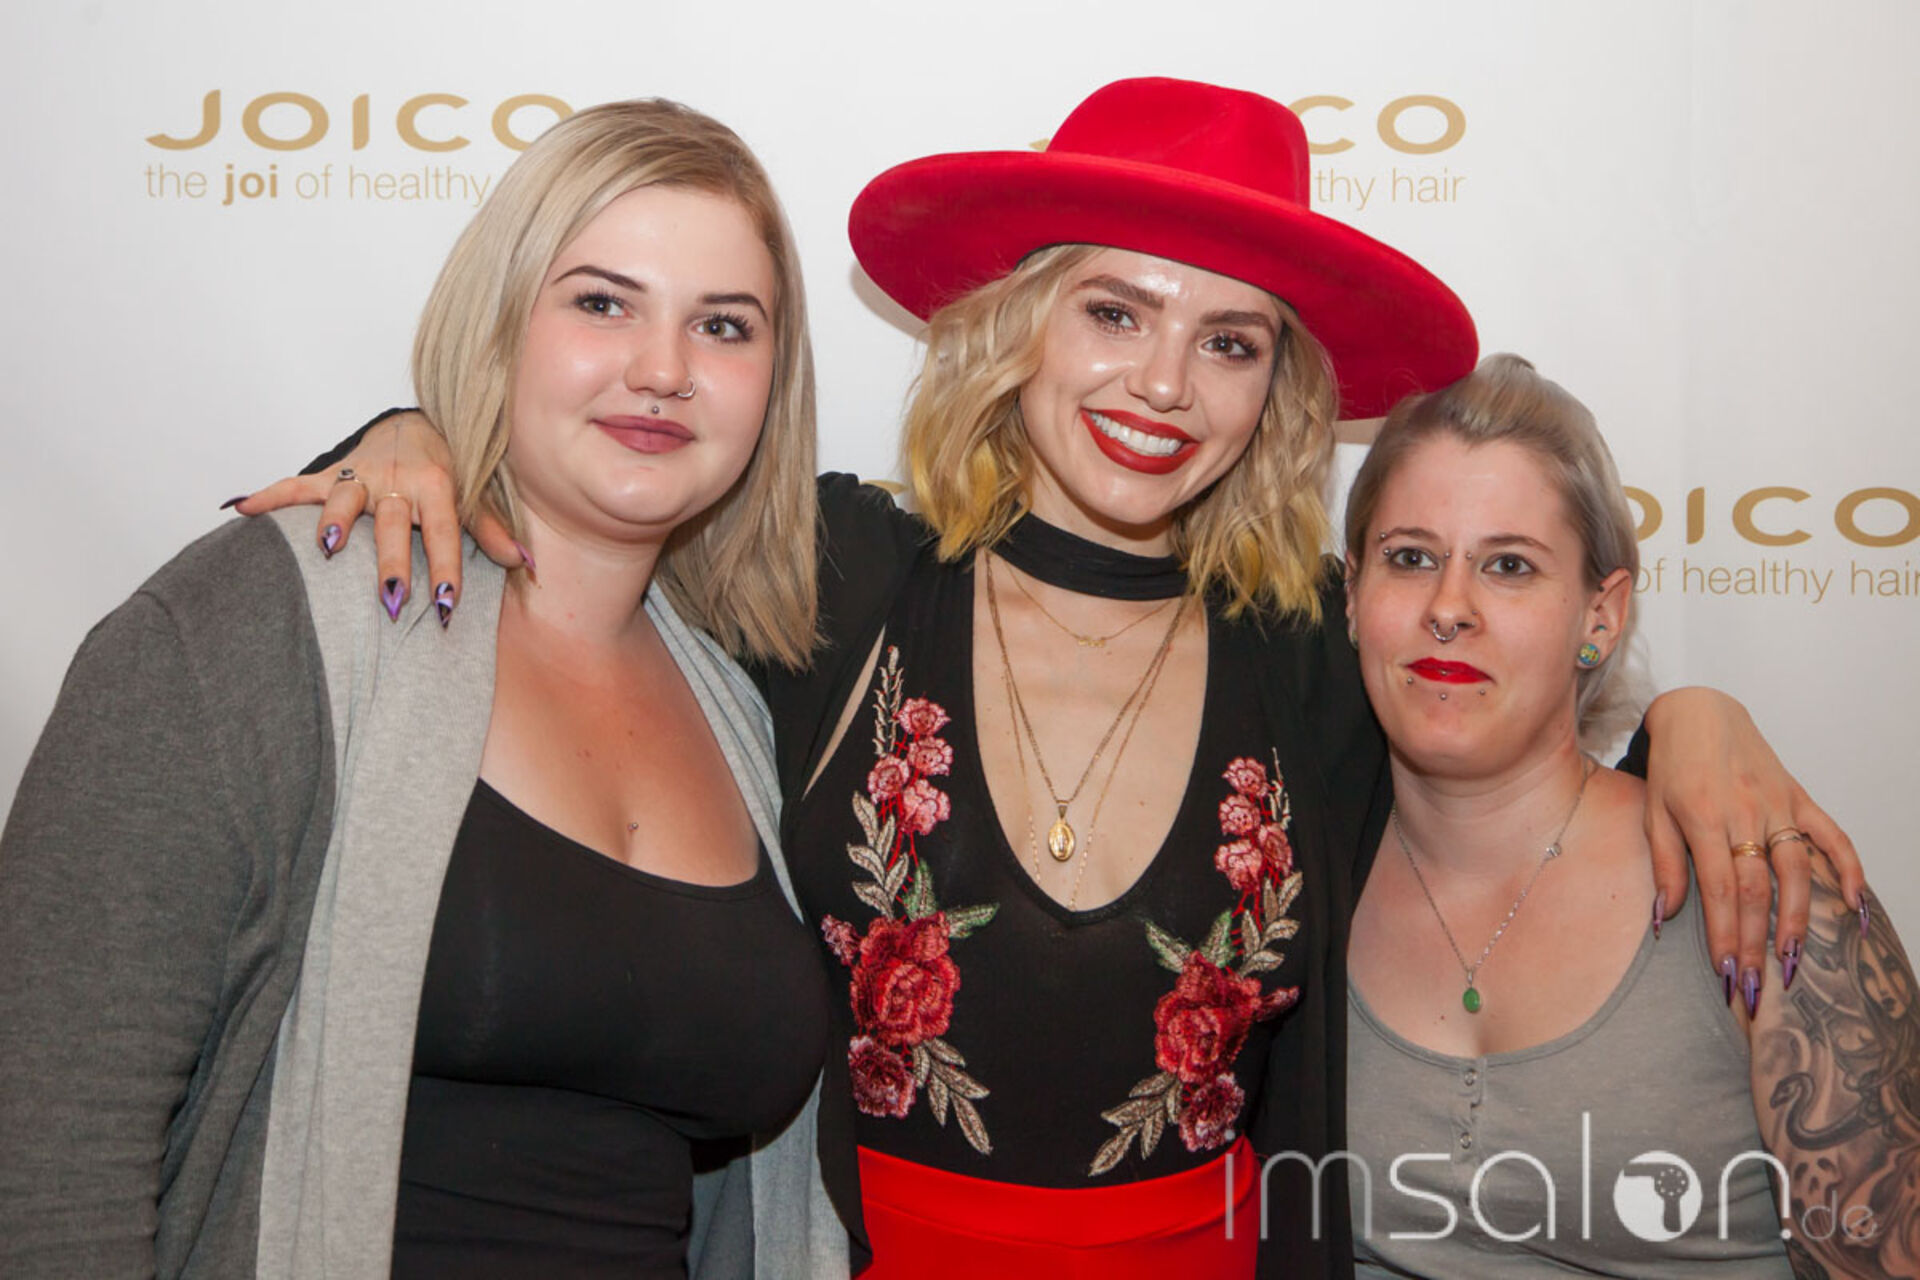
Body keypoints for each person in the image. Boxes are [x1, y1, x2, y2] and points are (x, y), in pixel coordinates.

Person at [241, 79, 1859, 1277]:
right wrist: (409, 436)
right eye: (1115, 310)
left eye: (1230, 341)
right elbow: (583, 503)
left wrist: (1692, 726)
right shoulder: (826, 576)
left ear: (1280, 394)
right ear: (1018, 320)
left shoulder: (1318, 642)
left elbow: (1508, 729)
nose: (1164, 383)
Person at [0, 99, 850, 1279]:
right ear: (497, 322)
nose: (664, 370)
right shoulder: (263, 624)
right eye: (602, 302)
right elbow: (52, 1154)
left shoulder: (739, 708)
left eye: (723, 325)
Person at [1341, 355, 1917, 1278]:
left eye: (1509, 566)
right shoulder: (1288, 877)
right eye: (1410, 558)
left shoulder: (1761, 891)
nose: (1448, 608)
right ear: (1351, 594)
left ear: (1600, 617)